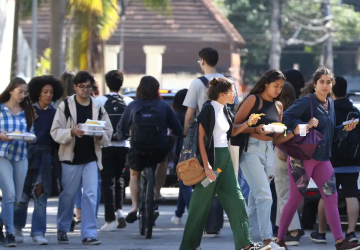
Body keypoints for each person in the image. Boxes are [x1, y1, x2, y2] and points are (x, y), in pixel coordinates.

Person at [179, 77, 269, 250]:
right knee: (199, 205)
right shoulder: (208, 109)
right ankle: (188, 246)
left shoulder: (226, 110)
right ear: (222, 94)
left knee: (237, 199)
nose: (234, 94)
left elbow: (233, 131)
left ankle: (245, 244)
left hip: (224, 160)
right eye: (231, 92)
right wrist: (206, 166)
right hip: (211, 160)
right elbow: (201, 139)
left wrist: (248, 124)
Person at [275, 68, 359, 250]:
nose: (325, 85)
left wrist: (345, 129)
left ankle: (339, 241)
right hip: (302, 158)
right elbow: (286, 120)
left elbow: (331, 135)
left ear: (332, 85)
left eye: (329, 82)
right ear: (315, 84)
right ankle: (279, 240)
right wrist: (305, 125)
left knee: (332, 197)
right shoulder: (306, 102)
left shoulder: (331, 104)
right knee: (295, 200)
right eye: (322, 81)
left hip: (322, 159)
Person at [183, 47, 239, 237]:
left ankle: (201, 227)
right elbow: (234, 111)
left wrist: (185, 137)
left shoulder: (197, 83)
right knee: (216, 182)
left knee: (205, 183)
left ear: (202, 61)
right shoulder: (228, 83)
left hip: (205, 143)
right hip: (224, 143)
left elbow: (190, 115)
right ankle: (214, 225)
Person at [51, 71, 112, 245]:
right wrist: (71, 131)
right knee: (68, 195)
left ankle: (89, 233)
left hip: (91, 157)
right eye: (82, 87)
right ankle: (62, 228)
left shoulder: (98, 107)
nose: (86, 90)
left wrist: (99, 135)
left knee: (91, 195)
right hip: (70, 157)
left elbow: (108, 132)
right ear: (75, 87)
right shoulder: (66, 106)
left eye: (88, 87)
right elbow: (55, 131)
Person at [117, 76, 183, 224]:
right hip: (158, 148)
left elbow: (121, 129)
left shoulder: (133, 105)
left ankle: (134, 207)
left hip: (138, 147)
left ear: (139, 89)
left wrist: (121, 135)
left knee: (134, 174)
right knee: (163, 160)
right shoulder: (163, 106)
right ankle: (157, 193)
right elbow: (177, 128)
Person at [235, 69, 286, 250]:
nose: (278, 90)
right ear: (266, 83)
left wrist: (295, 133)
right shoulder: (253, 100)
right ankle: (267, 241)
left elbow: (278, 138)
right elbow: (235, 126)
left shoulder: (279, 106)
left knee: (256, 199)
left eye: (280, 87)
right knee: (265, 196)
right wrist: (256, 129)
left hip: (269, 151)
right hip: (251, 150)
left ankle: (244, 240)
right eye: (275, 86)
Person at [13, 76, 63, 245]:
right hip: (26, 154)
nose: (48, 95)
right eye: (45, 92)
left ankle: (38, 232)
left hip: (45, 157)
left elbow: (57, 137)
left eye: (51, 92)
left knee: (41, 195)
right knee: (23, 195)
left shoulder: (55, 114)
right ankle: (16, 228)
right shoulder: (26, 110)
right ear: (37, 93)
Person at [311, 76, 360, 244]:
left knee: (326, 196)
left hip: (329, 160)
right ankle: (351, 232)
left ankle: (321, 232)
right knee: (351, 194)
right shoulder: (354, 111)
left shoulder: (326, 110)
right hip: (352, 161)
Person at [0, 77, 35, 247]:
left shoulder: (26, 111)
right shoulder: (0, 109)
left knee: (16, 198)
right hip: (2, 155)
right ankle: (10, 233)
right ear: (11, 90)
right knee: (10, 194)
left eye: (25, 92)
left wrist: (29, 138)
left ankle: (1, 223)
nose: (22, 95)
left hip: (21, 155)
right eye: (20, 91)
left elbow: (31, 133)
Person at [96, 70, 133, 231]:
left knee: (107, 181)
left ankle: (109, 219)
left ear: (107, 83)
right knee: (119, 179)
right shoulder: (128, 100)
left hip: (105, 145)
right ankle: (119, 211)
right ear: (121, 83)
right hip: (124, 145)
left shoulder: (99, 101)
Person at [273, 82, 302, 246]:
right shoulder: (299, 111)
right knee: (289, 194)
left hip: (281, 156)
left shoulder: (279, 112)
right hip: (298, 158)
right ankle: (281, 229)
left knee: (283, 195)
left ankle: (294, 231)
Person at [170, 89, 193, 225]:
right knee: (183, 182)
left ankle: (192, 211)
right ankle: (178, 214)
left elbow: (173, 135)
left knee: (184, 182)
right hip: (197, 150)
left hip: (182, 150)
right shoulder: (196, 113)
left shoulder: (177, 115)